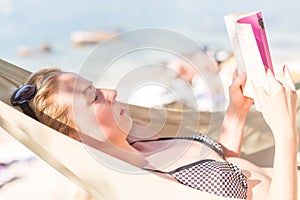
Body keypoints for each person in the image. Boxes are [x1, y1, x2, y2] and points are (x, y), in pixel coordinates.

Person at [10, 66, 299, 200]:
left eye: (96, 85)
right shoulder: (145, 189)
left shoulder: (139, 139)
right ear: (76, 136)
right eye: (94, 97)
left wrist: (237, 112)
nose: (111, 92)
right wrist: (285, 133)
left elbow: (225, 165)